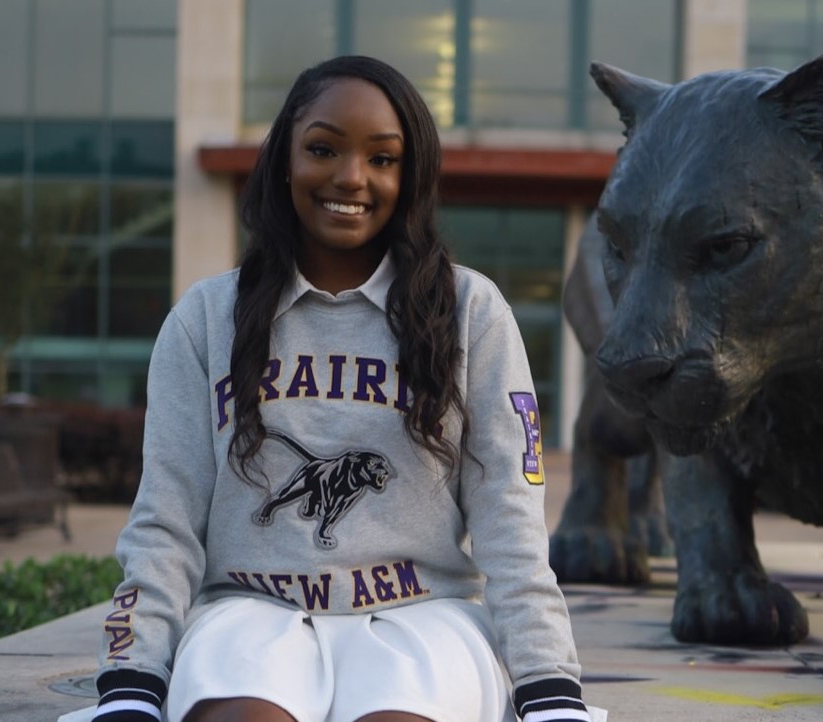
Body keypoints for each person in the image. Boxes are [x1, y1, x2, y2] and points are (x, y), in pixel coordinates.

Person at [89, 55, 592, 722]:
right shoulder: (206, 318)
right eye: (323, 149)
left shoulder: (470, 311)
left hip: (421, 620)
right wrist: (130, 677)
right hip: (251, 616)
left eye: (382, 158)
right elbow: (166, 519)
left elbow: (511, 517)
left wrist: (549, 686)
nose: (351, 177)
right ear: (286, 160)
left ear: (409, 174)